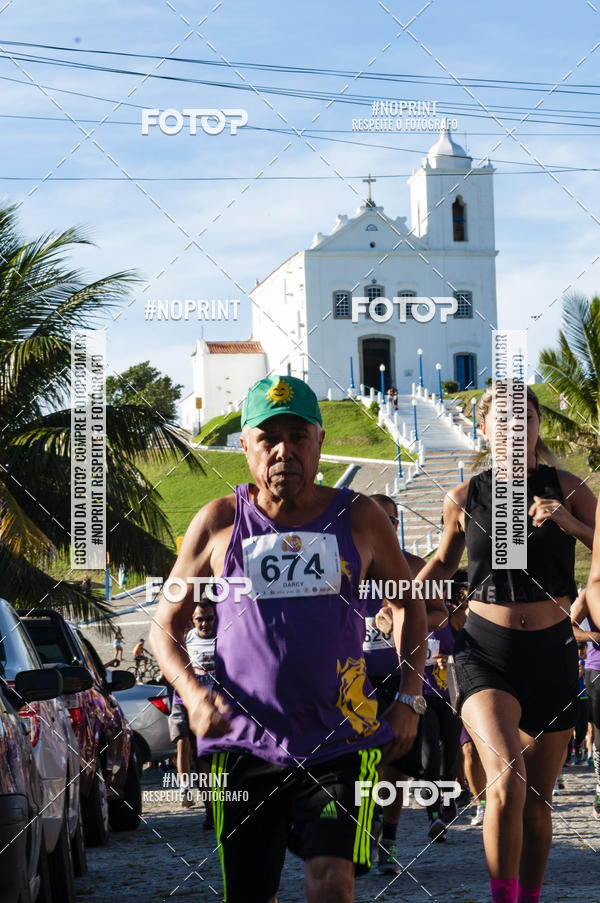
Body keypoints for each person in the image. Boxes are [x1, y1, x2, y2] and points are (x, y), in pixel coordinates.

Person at [150, 375, 428, 903]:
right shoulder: (219, 522)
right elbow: (166, 624)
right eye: (268, 438)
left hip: (340, 740)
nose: (285, 451)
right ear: (245, 448)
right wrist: (192, 693)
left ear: (320, 441)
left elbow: (410, 606)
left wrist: (410, 698)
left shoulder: (360, 517)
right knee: (252, 892)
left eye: (298, 436)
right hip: (241, 744)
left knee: (332, 880)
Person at [416, 384, 596, 903]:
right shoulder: (464, 496)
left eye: (527, 418)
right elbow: (444, 565)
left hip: (553, 651)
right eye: (503, 419)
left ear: (538, 427)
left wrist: (569, 521)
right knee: (507, 778)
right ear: (485, 428)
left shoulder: (568, 486)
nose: (515, 428)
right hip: (484, 650)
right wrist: (402, 595)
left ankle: (529, 896)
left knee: (539, 799)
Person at [363, 493, 425, 875]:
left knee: (397, 765)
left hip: (401, 677)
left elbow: (439, 613)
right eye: (378, 518)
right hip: (355, 678)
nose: (386, 525)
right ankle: (363, 824)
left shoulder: (414, 567)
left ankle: (389, 836)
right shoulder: (346, 564)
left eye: (392, 519)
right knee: (362, 763)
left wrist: (403, 618)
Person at [168, 600, 216, 815]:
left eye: (209, 618)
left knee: (208, 756)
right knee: (184, 744)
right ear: (192, 621)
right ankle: (187, 791)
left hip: (215, 705)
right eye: (200, 619)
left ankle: (214, 807)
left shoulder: (223, 638)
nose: (204, 623)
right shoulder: (185, 638)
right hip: (185, 702)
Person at [570, 588, 600, 817]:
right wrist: (594, 636)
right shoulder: (591, 592)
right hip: (597, 670)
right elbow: (569, 625)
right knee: (598, 732)